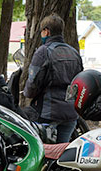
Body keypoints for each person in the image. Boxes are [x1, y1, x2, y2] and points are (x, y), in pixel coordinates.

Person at [23, 14, 83, 143]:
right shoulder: (74, 53)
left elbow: (32, 84)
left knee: (45, 154)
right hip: (70, 114)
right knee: (61, 154)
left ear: (46, 31)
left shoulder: (43, 51)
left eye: (42, 31)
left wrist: (27, 93)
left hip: (48, 114)